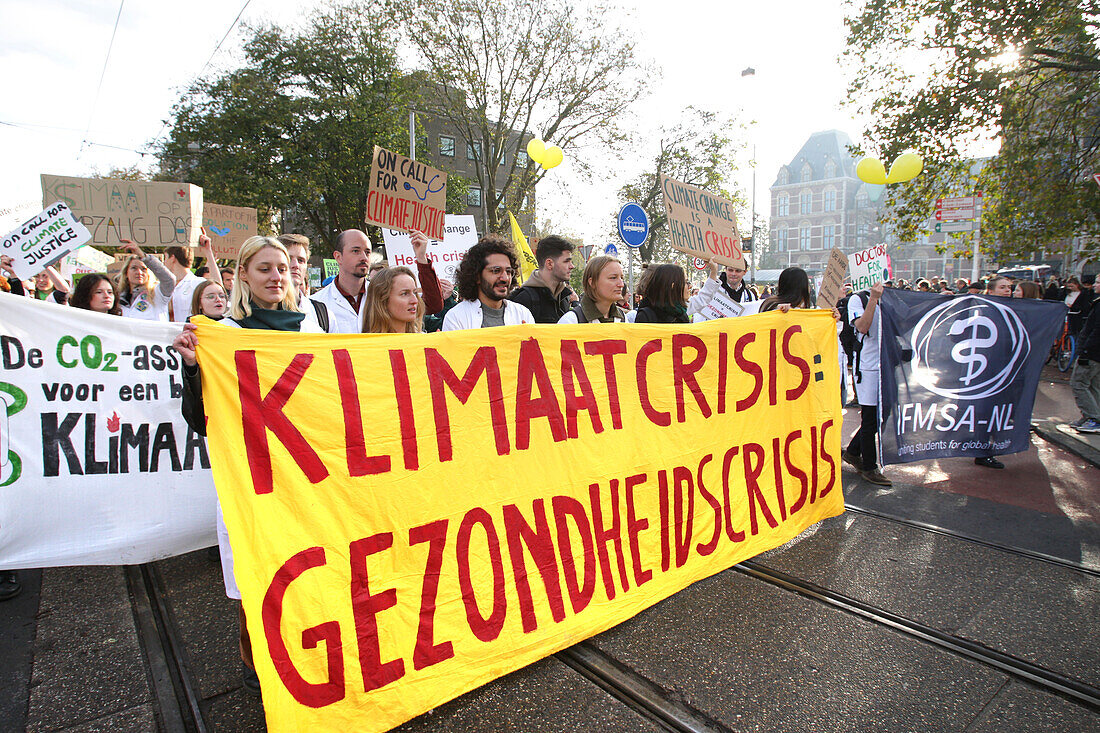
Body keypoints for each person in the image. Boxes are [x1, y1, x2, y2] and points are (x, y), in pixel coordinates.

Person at [173, 235, 322, 696]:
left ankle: (312, 650)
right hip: (255, 476)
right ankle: (255, 660)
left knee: (313, 563)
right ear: (242, 276)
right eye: (264, 269)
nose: (277, 276)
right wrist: (196, 369)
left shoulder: (315, 331)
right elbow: (199, 420)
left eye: (282, 267)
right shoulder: (225, 337)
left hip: (311, 474)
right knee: (257, 569)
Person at [841, 280, 892, 486]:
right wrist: (873, 299)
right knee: (870, 418)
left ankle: (853, 451)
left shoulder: (890, 300)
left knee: (882, 416)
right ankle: (870, 466)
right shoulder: (858, 299)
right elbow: (862, 327)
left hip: (886, 366)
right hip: (868, 367)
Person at [442, 236, 534, 329]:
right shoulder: (456, 317)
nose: (505, 278)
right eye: (496, 271)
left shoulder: (522, 314)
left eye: (509, 271)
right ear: (477, 276)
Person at [507, 234, 576, 323]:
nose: (572, 266)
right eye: (566, 261)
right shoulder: (524, 299)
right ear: (549, 264)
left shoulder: (564, 297)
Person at [558, 255, 627, 324]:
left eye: (622, 278)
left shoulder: (623, 319)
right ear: (593, 282)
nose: (621, 284)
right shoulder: (571, 321)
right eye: (613, 278)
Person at [116, 242, 176, 320]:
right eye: (134, 268)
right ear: (126, 273)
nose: (139, 272)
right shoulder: (119, 298)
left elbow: (169, 280)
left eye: (143, 269)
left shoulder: (158, 293)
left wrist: (144, 257)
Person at [1071, 278, 1100, 433]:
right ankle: (1093, 415)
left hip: (1092, 353)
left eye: (1098, 282)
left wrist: (1085, 351)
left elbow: (1096, 332)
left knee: (1079, 383)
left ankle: (1093, 417)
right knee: (1094, 385)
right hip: (1096, 354)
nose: (1094, 285)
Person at [362, 266, 426, 333]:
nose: (415, 301)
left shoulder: (423, 340)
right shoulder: (367, 342)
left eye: (415, 293)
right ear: (383, 300)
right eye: (404, 294)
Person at [165, 244, 207, 322]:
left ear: (172, 258)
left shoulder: (199, 283)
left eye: (165, 258)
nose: (164, 262)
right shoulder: (163, 285)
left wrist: (208, 253)